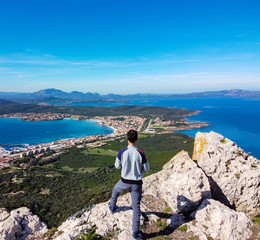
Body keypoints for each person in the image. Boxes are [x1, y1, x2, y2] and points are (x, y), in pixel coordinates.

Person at [108, 129, 150, 240]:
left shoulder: (121, 152)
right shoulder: (141, 153)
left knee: (115, 191)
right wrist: (145, 159)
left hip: (124, 181)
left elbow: (117, 166)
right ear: (136, 139)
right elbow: (147, 169)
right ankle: (135, 233)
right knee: (136, 208)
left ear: (127, 138)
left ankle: (112, 206)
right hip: (136, 184)